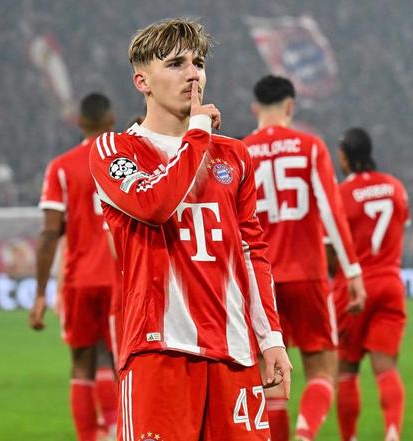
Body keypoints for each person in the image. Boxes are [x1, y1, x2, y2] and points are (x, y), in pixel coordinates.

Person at [88, 18, 291, 441]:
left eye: (198, 63)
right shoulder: (115, 150)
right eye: (176, 63)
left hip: (235, 353)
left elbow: (252, 252)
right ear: (142, 81)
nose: (193, 73)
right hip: (159, 351)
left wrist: (271, 337)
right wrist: (197, 134)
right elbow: (154, 204)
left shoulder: (234, 156)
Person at [243, 75, 366, 441]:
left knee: (271, 377)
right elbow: (331, 211)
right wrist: (352, 271)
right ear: (290, 106)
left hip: (260, 281)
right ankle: (305, 433)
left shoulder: (241, 152)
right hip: (307, 275)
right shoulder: (310, 147)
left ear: (255, 108)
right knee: (323, 369)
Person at [30, 93, 118, 441]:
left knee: (82, 364)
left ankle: (90, 436)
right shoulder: (123, 162)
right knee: (118, 361)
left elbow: (50, 233)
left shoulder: (62, 167)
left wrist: (40, 294)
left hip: (79, 280)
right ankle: (116, 429)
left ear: (79, 123)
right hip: (120, 280)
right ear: (111, 121)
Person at [330, 127, 410, 441]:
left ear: (344, 157)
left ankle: (349, 438)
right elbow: (400, 228)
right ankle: (392, 433)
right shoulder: (395, 187)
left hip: (353, 287)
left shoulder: (341, 194)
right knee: (386, 366)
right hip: (390, 283)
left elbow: (331, 250)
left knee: (347, 369)